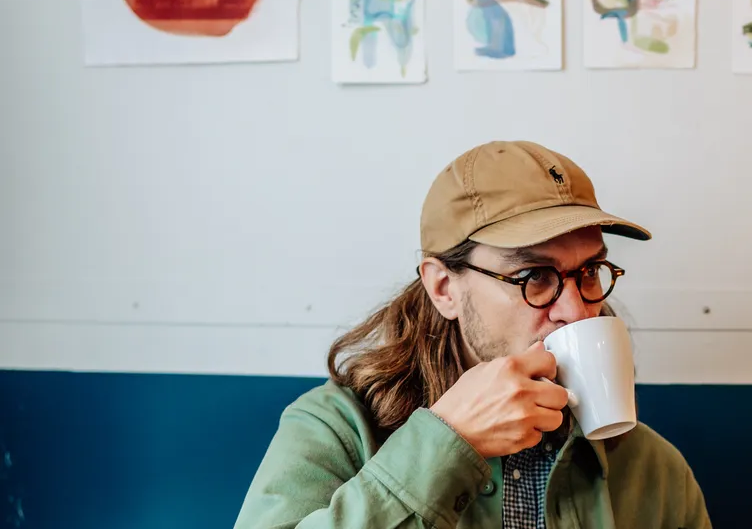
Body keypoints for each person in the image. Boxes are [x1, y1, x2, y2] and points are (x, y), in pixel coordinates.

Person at [233, 140, 712, 529]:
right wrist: (446, 445)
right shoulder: (337, 430)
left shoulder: (651, 468)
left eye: (590, 272)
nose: (578, 311)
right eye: (535, 277)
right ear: (444, 287)